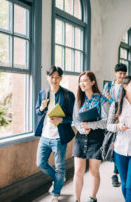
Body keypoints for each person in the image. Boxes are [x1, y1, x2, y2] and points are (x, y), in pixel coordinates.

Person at [35, 66, 75, 202]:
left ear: (61, 78)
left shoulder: (68, 95)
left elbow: (73, 117)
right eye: (52, 77)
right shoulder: (43, 93)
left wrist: (61, 119)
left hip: (59, 137)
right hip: (45, 136)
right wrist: (41, 107)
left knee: (60, 167)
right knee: (40, 163)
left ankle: (56, 193)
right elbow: (37, 112)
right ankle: (59, 178)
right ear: (47, 77)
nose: (54, 79)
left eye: (57, 77)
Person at [73, 71, 110, 202]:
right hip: (81, 137)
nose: (82, 83)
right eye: (80, 81)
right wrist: (83, 129)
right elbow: (75, 121)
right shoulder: (78, 100)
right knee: (78, 171)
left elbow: (106, 122)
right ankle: (77, 200)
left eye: (85, 80)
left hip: (96, 137)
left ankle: (92, 198)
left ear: (92, 82)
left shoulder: (102, 100)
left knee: (94, 170)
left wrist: (90, 125)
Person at [102, 63, 127, 187]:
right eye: (119, 73)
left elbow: (123, 102)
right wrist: (107, 99)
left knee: (119, 147)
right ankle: (115, 173)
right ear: (115, 73)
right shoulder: (108, 86)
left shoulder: (126, 86)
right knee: (113, 146)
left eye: (123, 73)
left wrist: (111, 100)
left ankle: (115, 173)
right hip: (111, 121)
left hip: (122, 121)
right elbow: (104, 102)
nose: (121, 75)